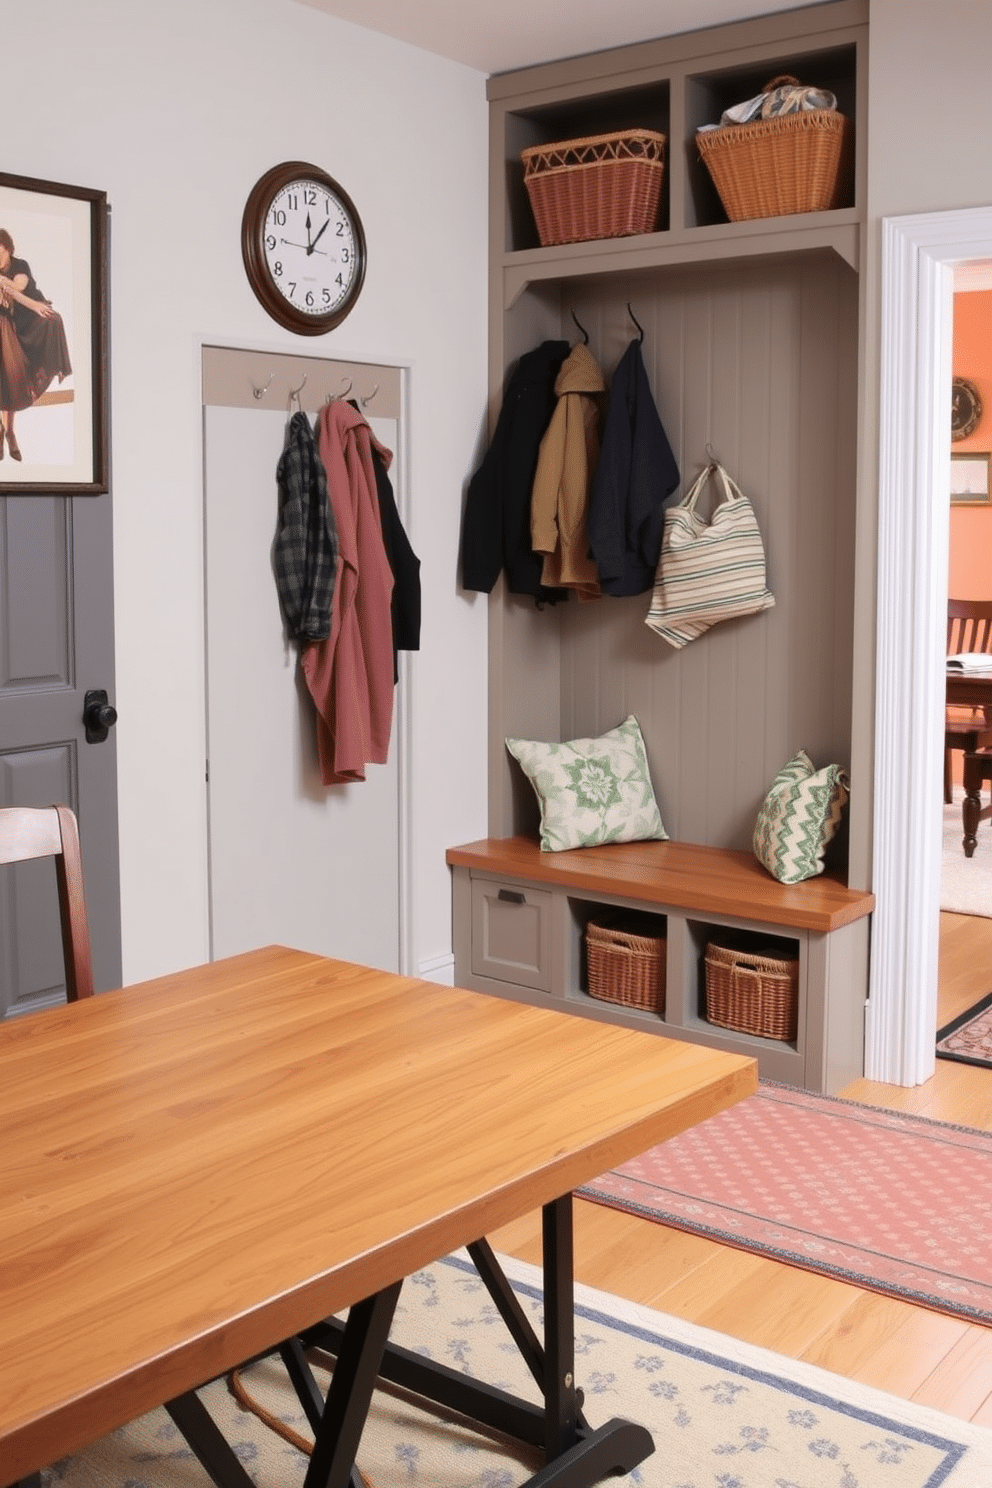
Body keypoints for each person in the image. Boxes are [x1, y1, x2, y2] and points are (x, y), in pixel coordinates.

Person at [0, 228, 72, 461]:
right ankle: (6, 432)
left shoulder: (20, 266)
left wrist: (32, 305)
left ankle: (9, 431)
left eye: (0, 252)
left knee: (53, 322)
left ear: (8, 249)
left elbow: (16, 288)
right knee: (5, 378)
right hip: (5, 330)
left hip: (25, 324)